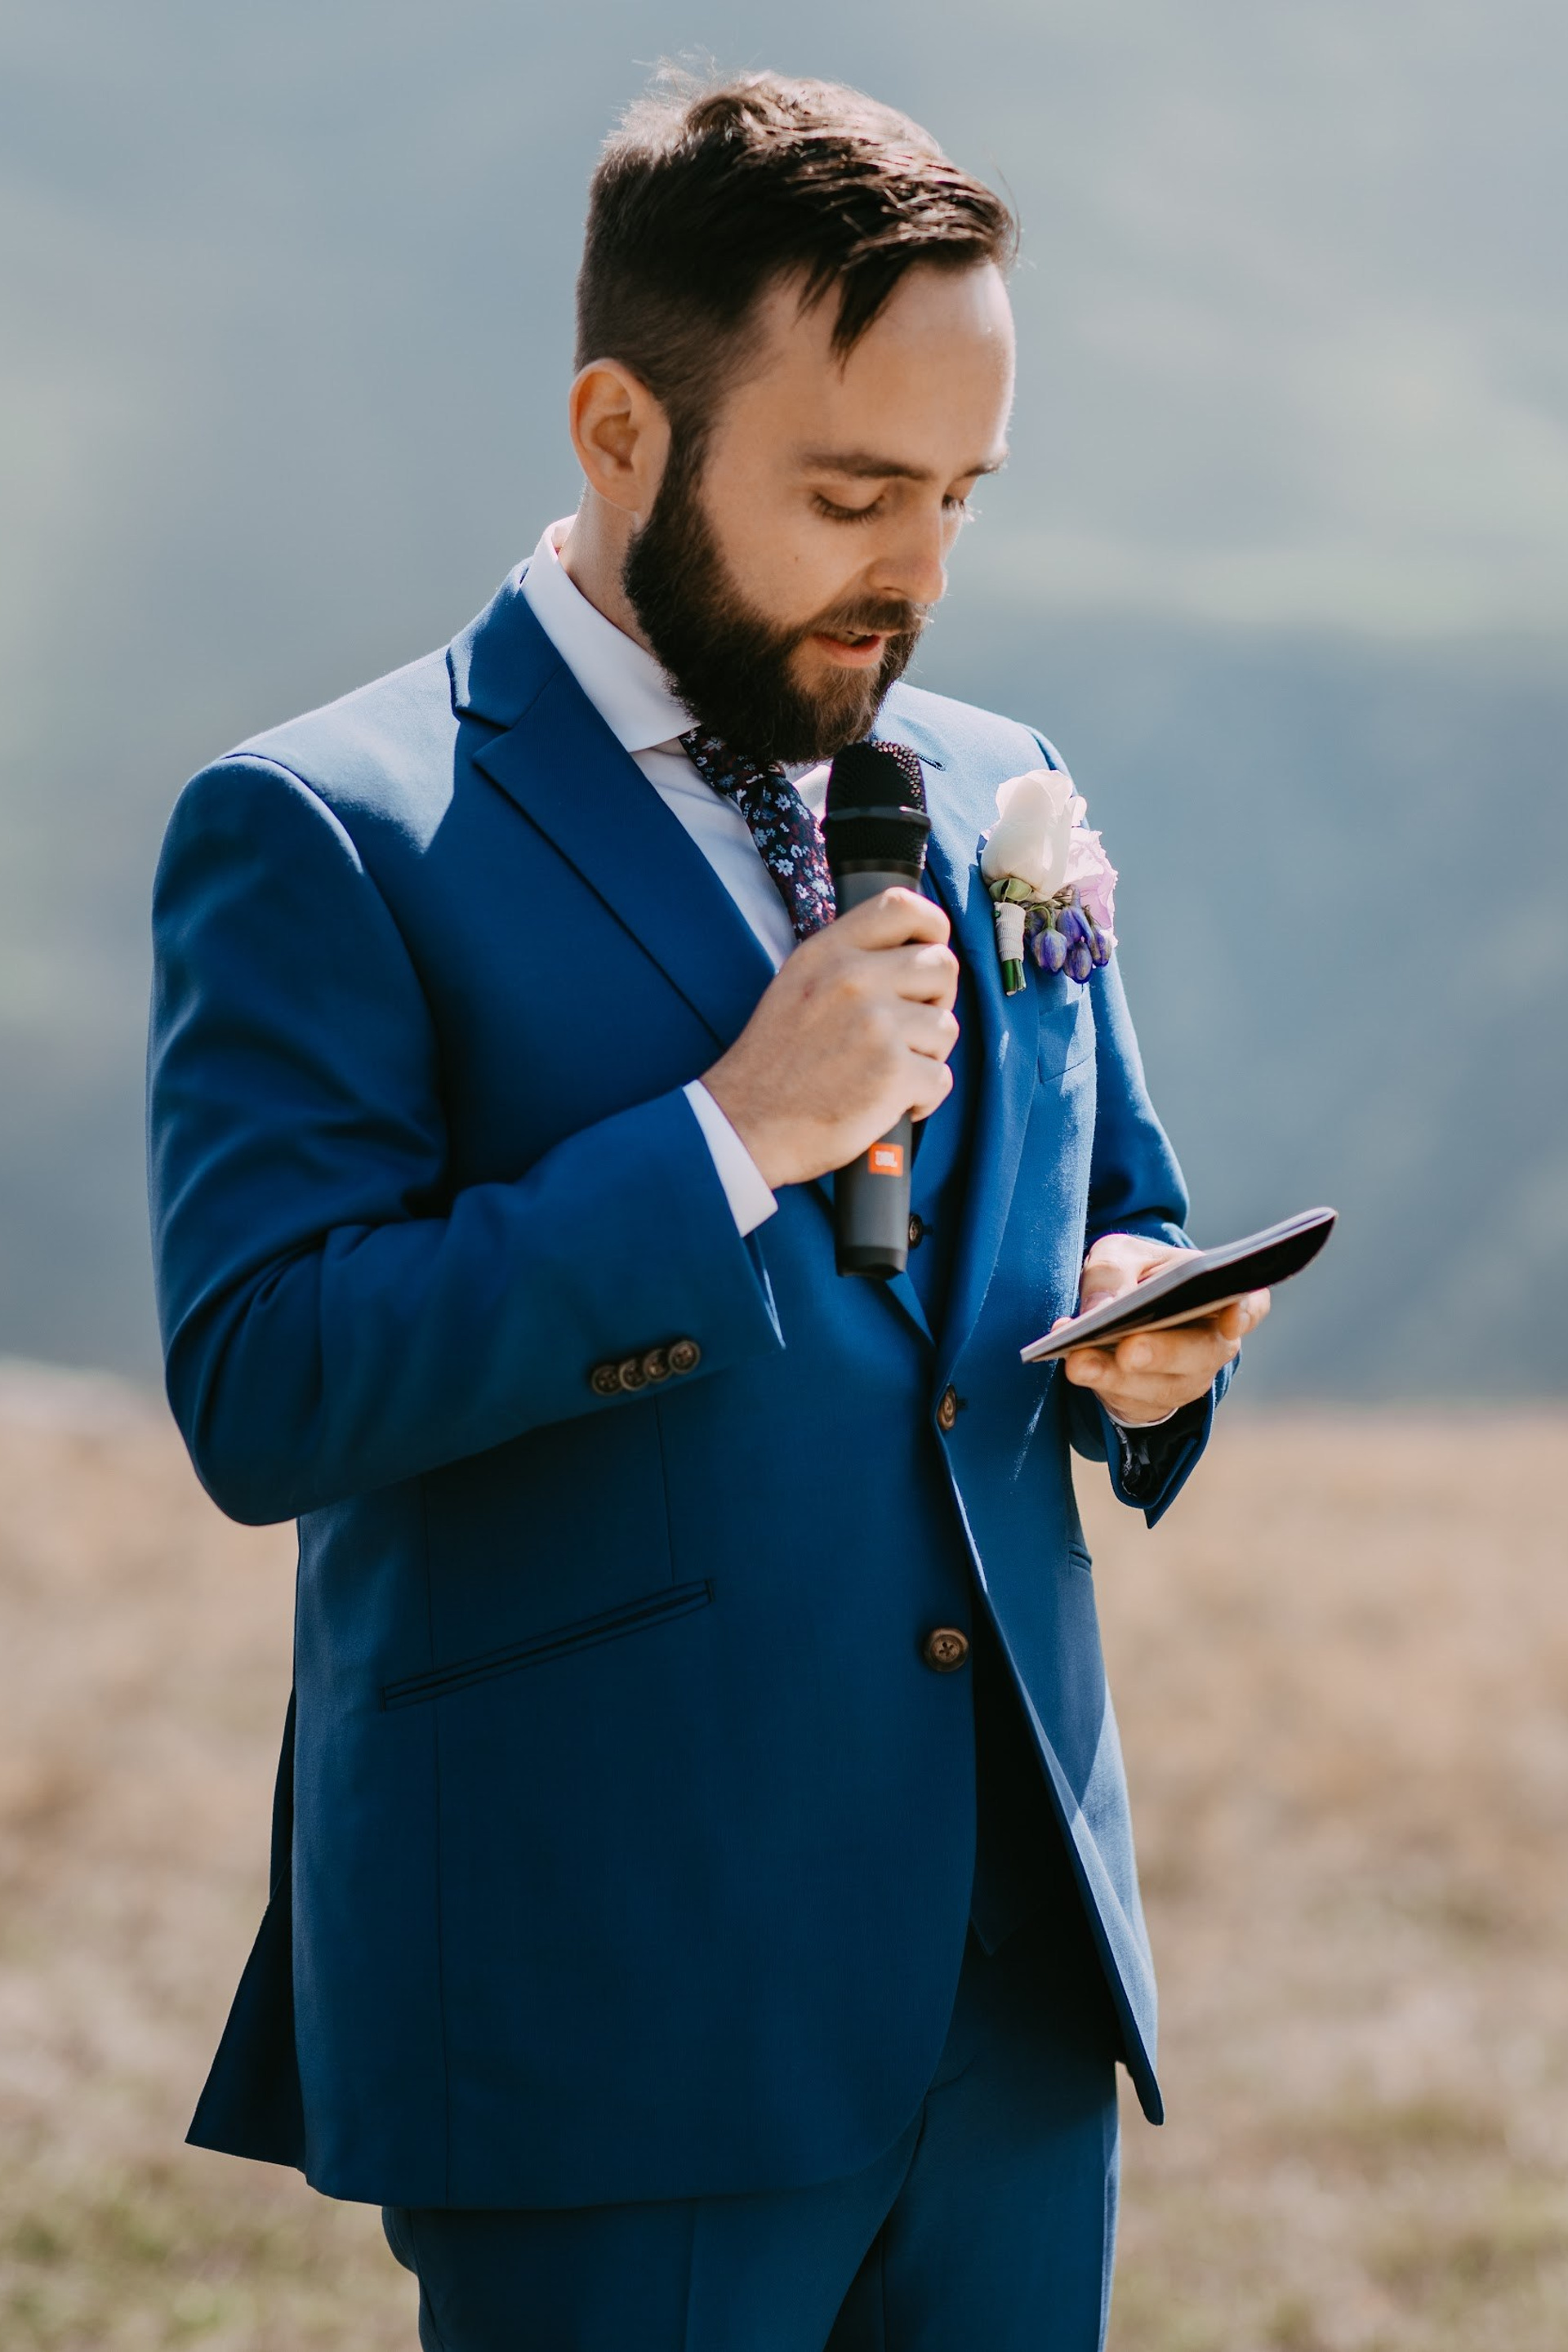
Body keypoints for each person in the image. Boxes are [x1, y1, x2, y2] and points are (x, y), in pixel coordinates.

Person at [148, 69, 1268, 2352]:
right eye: (852, 493)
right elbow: (265, 1384)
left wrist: (1143, 1321)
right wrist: (723, 1143)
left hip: (1012, 1994)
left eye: (959, 496)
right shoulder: (323, 826)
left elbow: (1105, 1204)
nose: (918, 576)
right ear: (620, 431)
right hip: (610, 2003)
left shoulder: (994, 782)